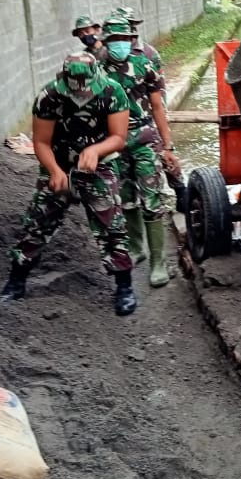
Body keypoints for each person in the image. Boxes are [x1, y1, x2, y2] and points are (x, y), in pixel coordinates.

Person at [1, 52, 138, 316]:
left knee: (112, 226)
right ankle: (16, 281)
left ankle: (124, 286)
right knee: (37, 222)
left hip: (99, 165)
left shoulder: (112, 92)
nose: (81, 94)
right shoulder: (50, 96)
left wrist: (96, 151)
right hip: (59, 162)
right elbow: (40, 141)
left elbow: (119, 137)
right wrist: (53, 170)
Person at [99, 16, 181, 287]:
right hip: (114, 142)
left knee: (152, 200)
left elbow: (158, 107)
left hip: (144, 139)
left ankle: (159, 262)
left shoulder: (144, 63)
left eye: (124, 39)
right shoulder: (98, 67)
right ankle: (137, 248)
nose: (119, 44)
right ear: (106, 41)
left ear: (130, 39)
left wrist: (167, 146)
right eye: (114, 40)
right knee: (126, 199)